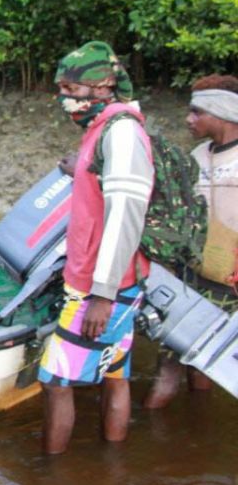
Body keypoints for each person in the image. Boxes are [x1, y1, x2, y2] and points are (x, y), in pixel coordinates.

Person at [37, 41, 153, 454]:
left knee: (55, 381)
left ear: (103, 86)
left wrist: (102, 294)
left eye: (71, 90)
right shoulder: (104, 129)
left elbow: (125, 215)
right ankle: (111, 466)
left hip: (103, 288)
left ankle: (50, 478)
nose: (64, 100)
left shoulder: (122, 133)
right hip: (116, 282)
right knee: (115, 374)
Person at [144, 74, 238, 407]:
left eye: (197, 112)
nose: (189, 119)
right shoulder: (198, 156)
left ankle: (146, 439)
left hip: (229, 286)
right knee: (187, 360)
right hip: (191, 278)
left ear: (222, 113)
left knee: (174, 368)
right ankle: (196, 423)